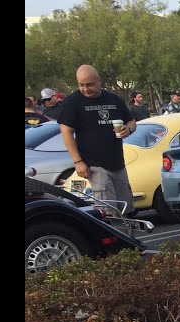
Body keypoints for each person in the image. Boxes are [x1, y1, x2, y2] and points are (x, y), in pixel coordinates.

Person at [57, 64, 136, 214]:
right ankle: (112, 235)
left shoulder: (113, 99)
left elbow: (131, 121)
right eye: (81, 85)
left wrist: (129, 129)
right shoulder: (73, 102)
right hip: (94, 164)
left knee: (127, 207)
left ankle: (127, 236)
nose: (85, 89)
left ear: (98, 80)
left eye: (89, 84)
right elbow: (66, 131)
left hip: (118, 162)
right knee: (109, 210)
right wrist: (78, 161)